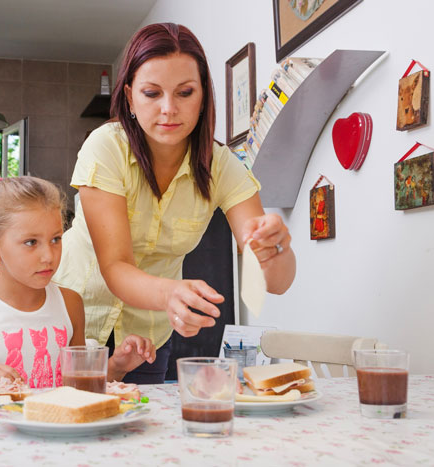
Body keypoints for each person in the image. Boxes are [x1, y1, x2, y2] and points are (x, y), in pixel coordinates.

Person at [53, 23, 296, 384]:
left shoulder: (222, 165)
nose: (169, 109)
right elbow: (115, 265)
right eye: (152, 93)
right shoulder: (105, 147)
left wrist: (276, 249)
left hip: (147, 338)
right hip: (73, 324)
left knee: (141, 433)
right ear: (130, 95)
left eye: (185, 92)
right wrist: (172, 293)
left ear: (203, 98)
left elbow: (273, 283)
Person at [0, 173, 155, 391]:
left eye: (55, 239)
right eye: (31, 242)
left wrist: (118, 366)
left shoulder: (70, 303)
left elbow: (77, 387)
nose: (49, 256)